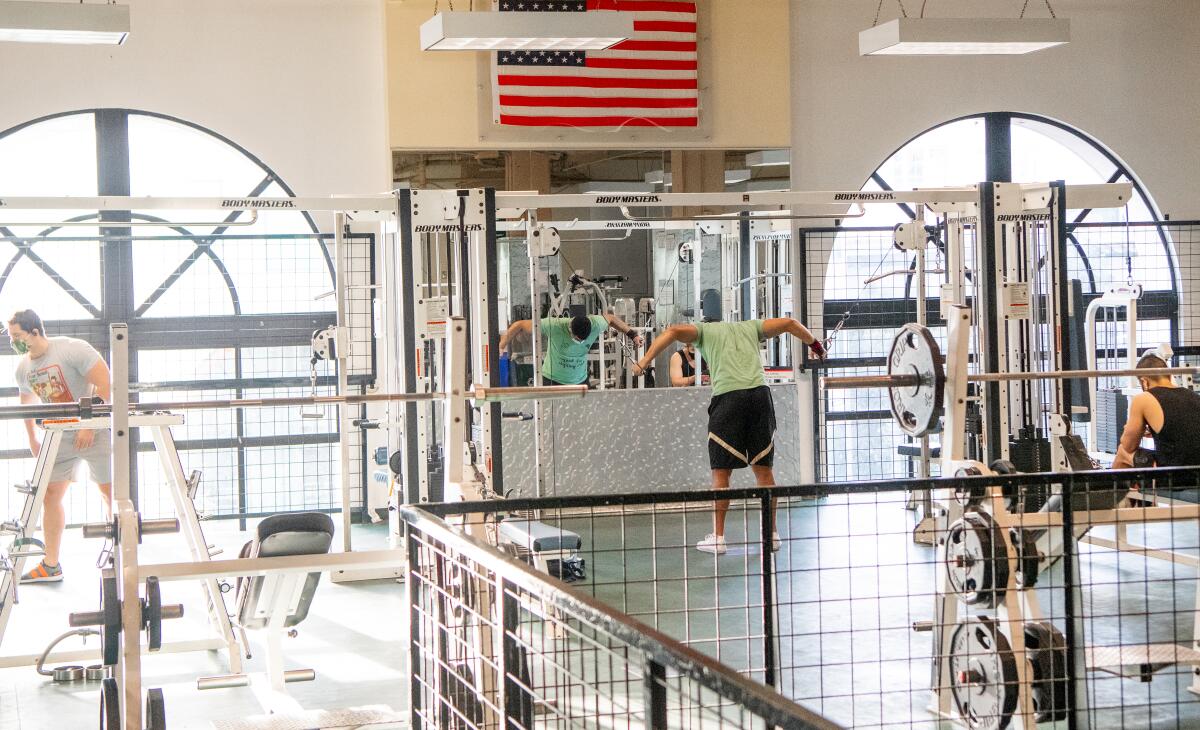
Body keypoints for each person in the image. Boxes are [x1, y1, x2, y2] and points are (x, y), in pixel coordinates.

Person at [633, 318, 826, 554]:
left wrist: (643, 361)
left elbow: (672, 330)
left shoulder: (704, 332)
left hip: (728, 399)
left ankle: (719, 538)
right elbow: (789, 323)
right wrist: (815, 345)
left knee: (721, 473)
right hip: (760, 397)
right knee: (764, 471)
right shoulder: (751, 327)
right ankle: (771, 535)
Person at [8, 310, 112, 583]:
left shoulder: (70, 349)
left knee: (109, 493)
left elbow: (103, 381)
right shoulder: (23, 368)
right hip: (59, 438)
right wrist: (32, 438)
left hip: (94, 431)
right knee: (49, 496)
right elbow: (26, 404)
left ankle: (120, 551)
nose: (14, 342)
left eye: (17, 336)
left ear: (34, 332)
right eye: (11, 337)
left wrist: (88, 425)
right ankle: (51, 565)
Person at [499, 312, 642, 387]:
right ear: (570, 330)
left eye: (583, 340)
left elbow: (611, 318)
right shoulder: (553, 325)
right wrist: (501, 346)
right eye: (578, 339)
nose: (580, 342)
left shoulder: (595, 324)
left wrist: (632, 334)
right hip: (551, 380)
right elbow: (519, 325)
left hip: (579, 381)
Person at [1113, 353, 1200, 469]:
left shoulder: (1143, 399)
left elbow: (1129, 445)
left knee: (1122, 452)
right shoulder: (1193, 396)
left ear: (1144, 382)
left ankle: (1112, 487)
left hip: (1173, 474)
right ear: (1169, 376)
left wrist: (1130, 429)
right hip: (1195, 471)